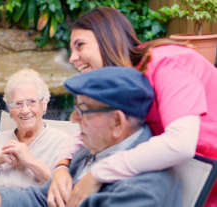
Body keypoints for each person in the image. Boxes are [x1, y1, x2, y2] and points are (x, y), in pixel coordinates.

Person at [0, 66, 182, 207]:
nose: (73, 119)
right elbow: (41, 197)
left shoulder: (145, 186)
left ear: (117, 121)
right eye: (18, 104)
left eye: (83, 110)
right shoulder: (86, 153)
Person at [48, 7, 217, 207]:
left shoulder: (165, 63)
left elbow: (180, 144)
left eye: (80, 46)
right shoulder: (125, 78)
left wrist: (97, 173)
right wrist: (61, 167)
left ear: (107, 39)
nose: (72, 58)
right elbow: (88, 128)